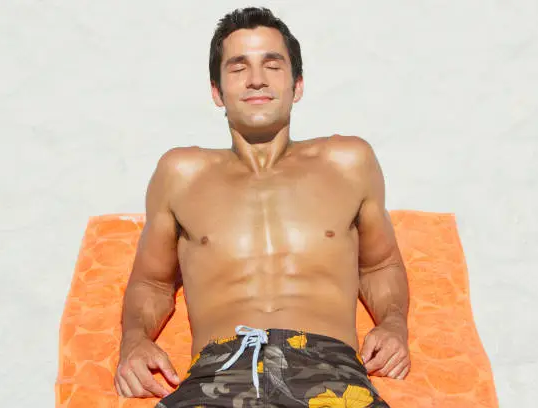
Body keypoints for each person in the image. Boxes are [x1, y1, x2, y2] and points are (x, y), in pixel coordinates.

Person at [114, 7, 410, 407]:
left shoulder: (347, 162)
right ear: (217, 92)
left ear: (297, 84)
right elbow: (152, 283)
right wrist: (134, 341)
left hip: (331, 371)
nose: (256, 79)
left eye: (272, 66)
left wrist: (393, 325)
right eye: (238, 68)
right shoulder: (181, 173)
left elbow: (380, 265)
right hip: (218, 370)